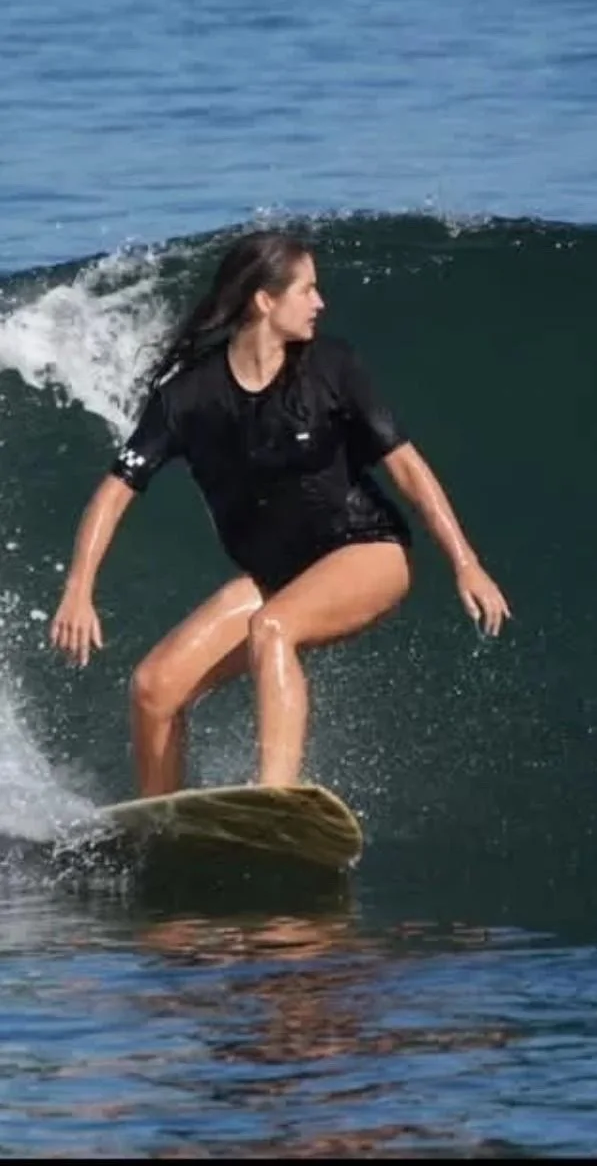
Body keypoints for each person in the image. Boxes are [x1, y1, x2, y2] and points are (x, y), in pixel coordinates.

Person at [48, 231, 510, 797]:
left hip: (367, 549)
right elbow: (115, 491)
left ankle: (275, 797)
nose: (320, 302)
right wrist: (78, 588)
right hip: (278, 576)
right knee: (154, 687)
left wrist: (466, 562)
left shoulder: (331, 367)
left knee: (273, 628)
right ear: (265, 300)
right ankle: (161, 820)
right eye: (308, 289)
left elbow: (407, 467)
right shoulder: (187, 397)